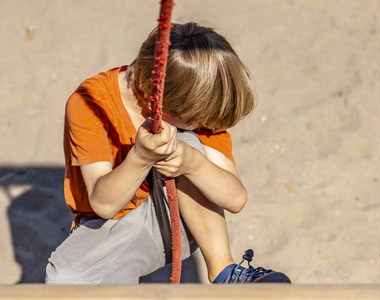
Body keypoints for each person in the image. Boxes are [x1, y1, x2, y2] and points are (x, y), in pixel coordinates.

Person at [46, 22, 290, 284]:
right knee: (66, 279)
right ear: (162, 101)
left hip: (180, 218)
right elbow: (104, 205)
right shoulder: (91, 102)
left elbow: (235, 199)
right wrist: (140, 157)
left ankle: (224, 270)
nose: (207, 126)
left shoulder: (198, 106)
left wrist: (193, 164)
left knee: (186, 141)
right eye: (199, 119)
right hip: (111, 228)